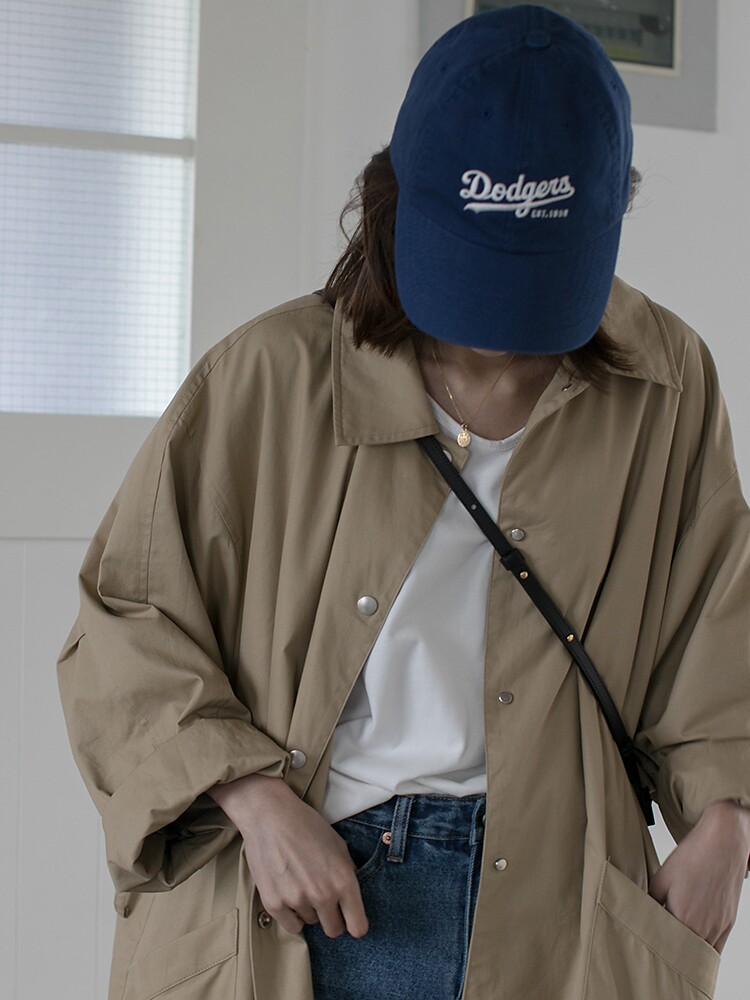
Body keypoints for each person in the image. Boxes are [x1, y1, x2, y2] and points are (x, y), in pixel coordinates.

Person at [56, 6, 750, 1000]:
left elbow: (719, 615)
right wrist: (249, 796)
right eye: (474, 275)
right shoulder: (270, 378)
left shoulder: (665, 381)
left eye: (534, 285)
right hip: (310, 898)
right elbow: (127, 620)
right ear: (396, 202)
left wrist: (727, 816)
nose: (500, 333)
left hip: (557, 910)